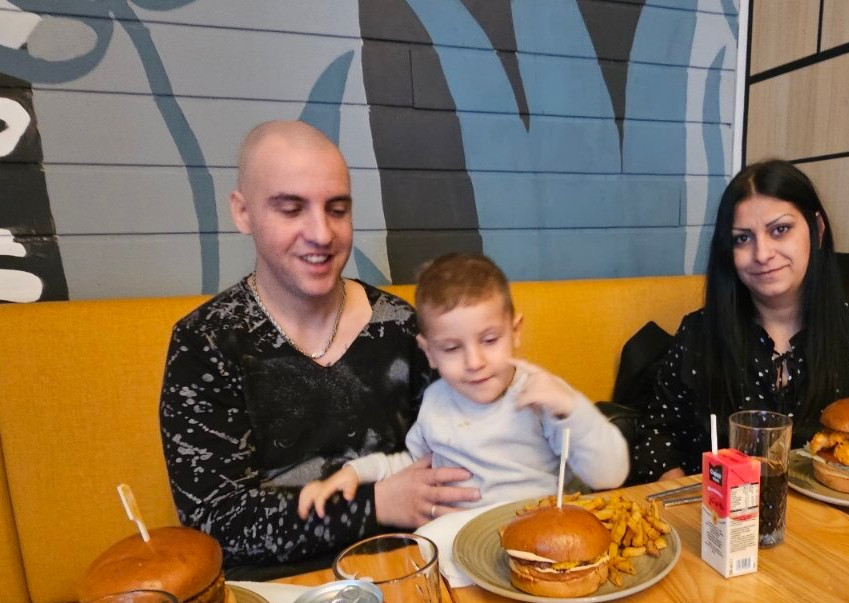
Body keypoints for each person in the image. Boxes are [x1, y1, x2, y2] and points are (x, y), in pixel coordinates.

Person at [159, 121, 478, 575]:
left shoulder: (402, 327)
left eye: (337, 209)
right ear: (243, 213)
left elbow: (457, 453)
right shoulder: (205, 343)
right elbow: (215, 525)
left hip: (411, 572)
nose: (322, 234)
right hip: (276, 593)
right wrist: (374, 505)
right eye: (292, 209)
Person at [634, 159, 849, 481]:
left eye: (780, 230)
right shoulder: (699, 333)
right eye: (743, 238)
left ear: (817, 230)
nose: (762, 254)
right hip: (716, 509)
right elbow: (656, 438)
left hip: (838, 511)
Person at [298, 253, 630, 520]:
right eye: (452, 348)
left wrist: (572, 411)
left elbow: (610, 476)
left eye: (489, 340)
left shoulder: (544, 395)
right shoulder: (435, 401)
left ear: (515, 332)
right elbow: (413, 463)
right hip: (459, 537)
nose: (474, 362)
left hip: (540, 529)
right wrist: (355, 473)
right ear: (429, 352)